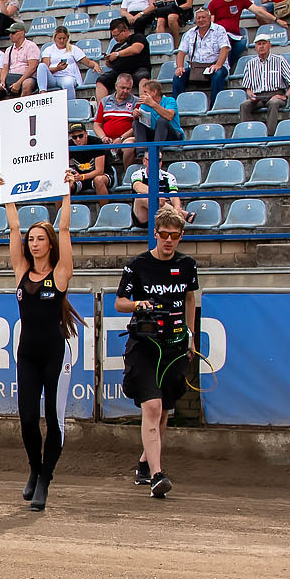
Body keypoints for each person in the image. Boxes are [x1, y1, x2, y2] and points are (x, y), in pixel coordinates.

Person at [119, 207, 200, 499]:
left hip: (176, 344)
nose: (168, 240)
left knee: (164, 409)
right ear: (155, 234)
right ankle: (157, 474)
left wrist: (191, 335)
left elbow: (190, 299)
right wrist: (141, 305)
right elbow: (119, 303)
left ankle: (144, 463)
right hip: (145, 343)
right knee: (151, 407)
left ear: (180, 237)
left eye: (174, 236)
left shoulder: (188, 265)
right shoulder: (137, 264)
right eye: (163, 235)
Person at [4, 200, 74, 511]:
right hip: (27, 354)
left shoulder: (59, 275)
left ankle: (45, 478)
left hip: (55, 354)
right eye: (30, 240)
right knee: (28, 418)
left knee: (54, 421)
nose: (33, 244)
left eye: (39, 239)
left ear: (50, 244)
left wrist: (67, 194)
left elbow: (65, 227)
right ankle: (35, 467)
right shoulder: (21, 271)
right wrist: (8, 196)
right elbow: (14, 227)